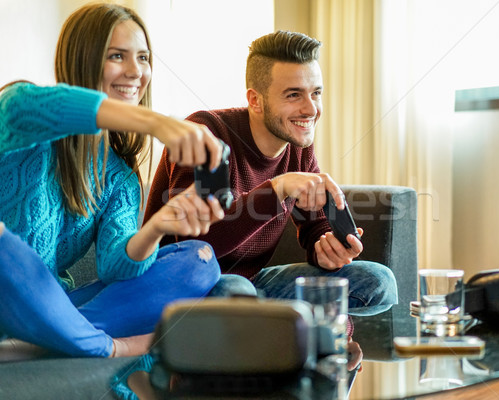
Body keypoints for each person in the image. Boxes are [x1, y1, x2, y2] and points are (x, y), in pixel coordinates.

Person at [0, 3, 225, 359]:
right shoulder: (20, 110)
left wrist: (155, 227)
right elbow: (50, 105)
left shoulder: (119, 177)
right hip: (8, 286)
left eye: (143, 58)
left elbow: (114, 268)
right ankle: (103, 346)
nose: (136, 72)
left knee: (200, 260)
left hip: (53, 306)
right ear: (83, 61)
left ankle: (42, 342)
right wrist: (156, 123)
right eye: (117, 56)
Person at [144, 30, 398, 315]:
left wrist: (326, 247)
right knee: (234, 293)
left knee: (377, 281)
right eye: (294, 95)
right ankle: (283, 328)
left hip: (252, 288)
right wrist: (277, 187)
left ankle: (303, 335)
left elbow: (314, 225)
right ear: (255, 100)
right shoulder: (206, 134)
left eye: (316, 93)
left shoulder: (298, 148)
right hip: (183, 288)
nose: (311, 108)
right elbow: (200, 245)